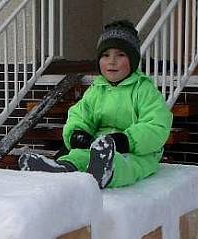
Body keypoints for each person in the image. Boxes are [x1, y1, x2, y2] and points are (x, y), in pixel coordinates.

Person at [19, 20, 172, 189]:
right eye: (105, 55)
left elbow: (156, 124)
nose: (112, 61)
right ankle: (62, 168)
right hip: (98, 145)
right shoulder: (96, 91)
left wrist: (126, 140)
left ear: (133, 60)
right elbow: (80, 114)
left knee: (128, 164)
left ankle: (108, 172)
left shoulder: (144, 90)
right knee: (79, 155)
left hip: (137, 150)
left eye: (120, 55)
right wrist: (77, 134)